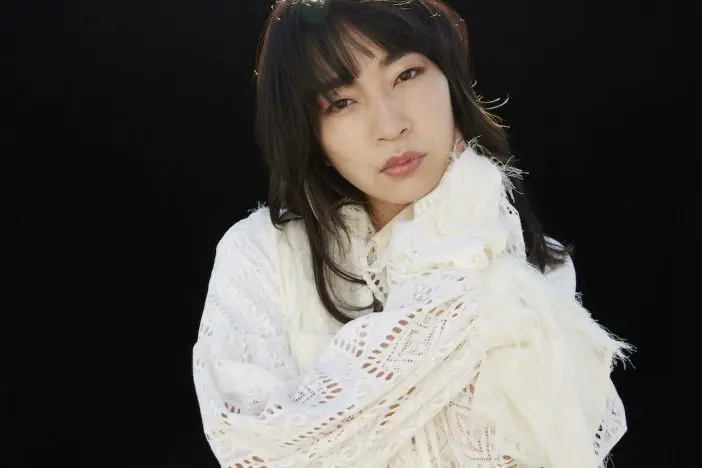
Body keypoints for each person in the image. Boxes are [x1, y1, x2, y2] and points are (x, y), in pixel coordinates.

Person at [192, 1, 632, 467]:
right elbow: (257, 451)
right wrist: (457, 278)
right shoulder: (260, 254)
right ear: (309, 132)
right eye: (341, 102)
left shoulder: (531, 264)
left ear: (450, 78)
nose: (390, 126)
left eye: (406, 75)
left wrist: (464, 224)